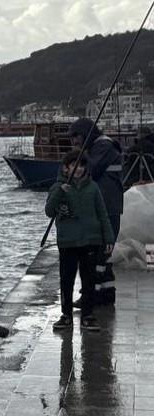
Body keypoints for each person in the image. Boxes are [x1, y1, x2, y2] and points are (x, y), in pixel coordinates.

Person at [46, 149, 115, 332]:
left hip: (91, 240)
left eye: (82, 165)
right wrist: (60, 192)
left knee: (89, 280)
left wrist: (108, 238)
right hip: (67, 242)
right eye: (74, 165)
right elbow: (49, 211)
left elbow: (103, 214)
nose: (79, 169)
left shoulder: (93, 188)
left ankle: (88, 315)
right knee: (66, 280)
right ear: (66, 168)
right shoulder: (57, 187)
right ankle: (66, 315)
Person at [69, 117, 123, 306]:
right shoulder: (97, 148)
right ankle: (106, 294)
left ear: (87, 134)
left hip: (107, 209)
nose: (74, 141)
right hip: (105, 208)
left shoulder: (103, 147)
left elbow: (90, 170)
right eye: (72, 138)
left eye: (77, 136)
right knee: (102, 256)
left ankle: (90, 296)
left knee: (94, 255)